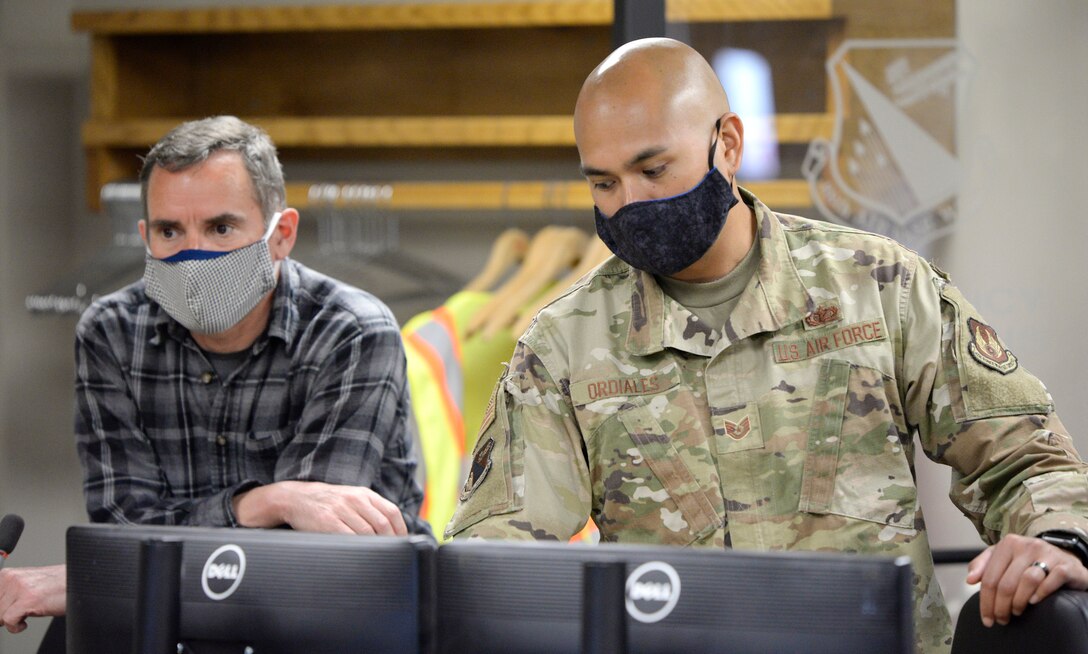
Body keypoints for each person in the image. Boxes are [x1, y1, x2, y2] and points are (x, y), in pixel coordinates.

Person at [445, 39, 1088, 652]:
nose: (629, 203)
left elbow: (1025, 454)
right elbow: (494, 559)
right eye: (603, 184)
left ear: (727, 144)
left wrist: (1054, 540)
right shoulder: (563, 346)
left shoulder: (877, 287)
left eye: (652, 169)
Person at [0, 116, 429, 635]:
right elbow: (124, 529)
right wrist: (269, 500)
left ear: (281, 235)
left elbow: (311, 549)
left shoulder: (353, 330)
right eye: (169, 230)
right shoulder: (111, 330)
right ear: (145, 237)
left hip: (331, 615)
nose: (192, 253)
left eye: (220, 228)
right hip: (168, 612)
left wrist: (103, 574)